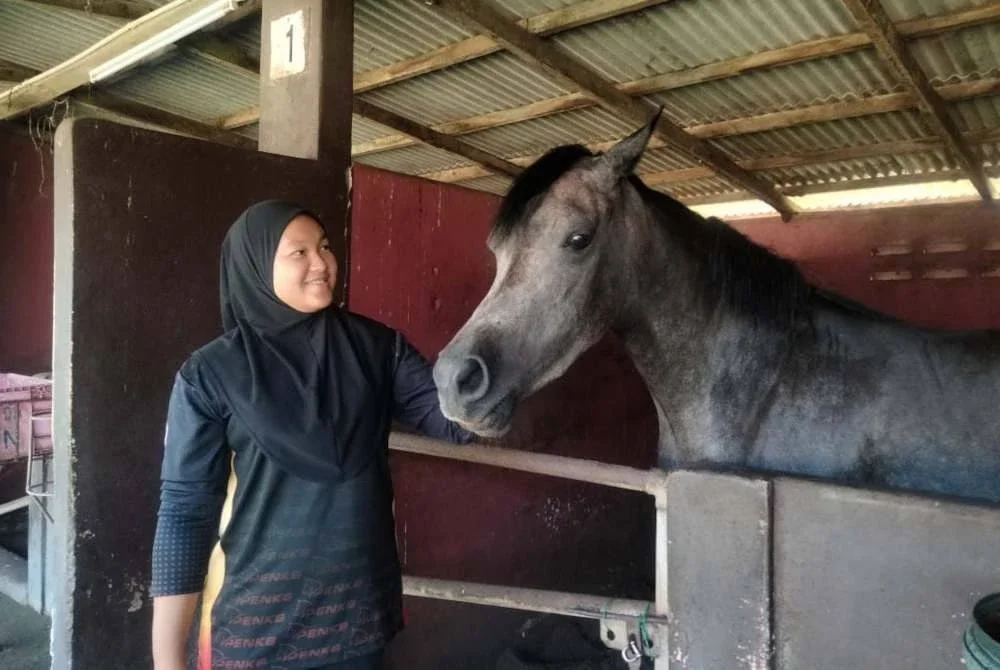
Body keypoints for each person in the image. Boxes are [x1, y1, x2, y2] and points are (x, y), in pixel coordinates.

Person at [150, 200, 473, 670]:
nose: (321, 262)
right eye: (298, 253)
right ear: (258, 265)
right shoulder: (211, 375)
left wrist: (508, 358)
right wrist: (166, 659)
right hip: (259, 631)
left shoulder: (378, 349)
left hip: (359, 623)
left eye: (324, 246)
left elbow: (452, 424)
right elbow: (185, 511)